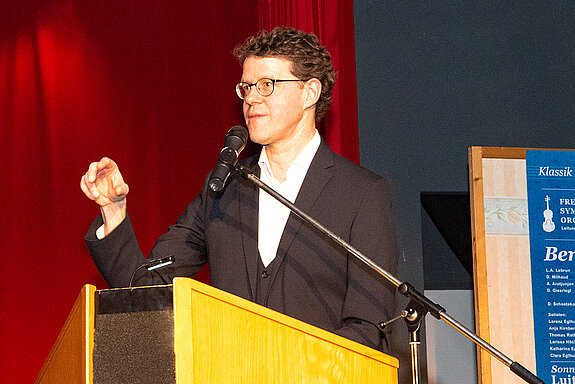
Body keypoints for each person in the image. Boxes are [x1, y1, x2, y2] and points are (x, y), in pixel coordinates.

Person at [80, 26, 399, 352]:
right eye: (246, 87)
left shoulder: (362, 194)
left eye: (267, 85)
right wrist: (114, 210)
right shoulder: (224, 188)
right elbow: (143, 290)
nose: (251, 98)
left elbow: (368, 331)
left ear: (309, 92)